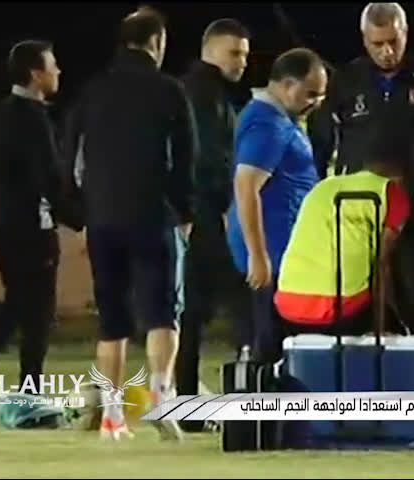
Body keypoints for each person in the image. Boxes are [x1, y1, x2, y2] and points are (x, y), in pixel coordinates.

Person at [64, 6, 198, 441]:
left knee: (112, 319)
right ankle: (161, 399)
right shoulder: (170, 91)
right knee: (163, 313)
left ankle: (111, 415)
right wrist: (186, 212)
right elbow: (185, 159)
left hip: (103, 217)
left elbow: (70, 157)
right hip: (154, 214)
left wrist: (81, 215)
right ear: (157, 42)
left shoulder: (92, 92)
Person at [308, 2, 414, 335]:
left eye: (394, 41)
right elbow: (320, 145)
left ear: (405, 34)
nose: (387, 51)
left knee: (413, 301)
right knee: (358, 303)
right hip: (357, 213)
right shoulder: (346, 80)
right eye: (378, 43)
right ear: (365, 40)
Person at [0, 40, 81, 414]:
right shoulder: (33, 118)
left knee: (23, 304)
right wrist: (79, 220)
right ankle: (20, 392)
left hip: (4, 223)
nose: (58, 72)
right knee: (36, 310)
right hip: (30, 227)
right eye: (52, 66)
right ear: (36, 74)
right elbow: (47, 179)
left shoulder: (2, 112)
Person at [226, 48, 328, 363]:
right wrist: (258, 256)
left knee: (277, 346)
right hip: (272, 255)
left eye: (320, 95)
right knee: (270, 348)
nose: (316, 102)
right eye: (311, 93)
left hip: (282, 252)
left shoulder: (282, 119)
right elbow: (246, 186)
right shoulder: (267, 124)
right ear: (287, 85)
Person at [175, 18, 251, 427]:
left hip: (193, 215)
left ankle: (187, 403)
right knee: (244, 307)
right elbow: (210, 156)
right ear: (211, 51)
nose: (242, 62)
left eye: (245, 54)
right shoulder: (207, 96)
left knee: (192, 314)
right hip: (209, 217)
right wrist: (224, 204)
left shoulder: (194, 90)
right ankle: (246, 397)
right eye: (234, 53)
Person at [275, 122, 412, 336]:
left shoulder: (324, 186)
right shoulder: (391, 193)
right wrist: (387, 324)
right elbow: (381, 268)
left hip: (288, 306)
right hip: (340, 311)